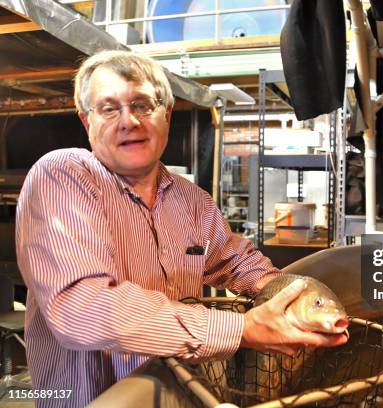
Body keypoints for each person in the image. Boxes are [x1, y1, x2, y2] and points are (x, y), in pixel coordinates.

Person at [15, 50, 347, 407]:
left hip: (176, 393)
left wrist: (292, 298)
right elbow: (80, 309)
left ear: (167, 114)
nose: (129, 121)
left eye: (142, 104)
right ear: (86, 121)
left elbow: (236, 262)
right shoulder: (64, 175)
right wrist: (241, 329)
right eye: (109, 108)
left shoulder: (191, 201)